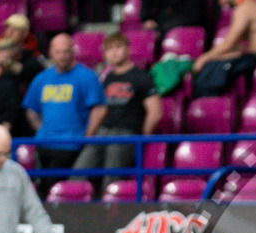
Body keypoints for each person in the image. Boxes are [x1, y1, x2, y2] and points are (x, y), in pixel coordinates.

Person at [72, 32, 162, 191]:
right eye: (110, 49)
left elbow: (155, 112)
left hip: (126, 132)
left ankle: (110, 211)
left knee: (111, 176)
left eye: (118, 47)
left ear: (128, 49)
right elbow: (102, 108)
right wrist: (90, 133)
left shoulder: (141, 77)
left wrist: (143, 137)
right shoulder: (107, 78)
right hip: (103, 131)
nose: (114, 52)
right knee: (79, 171)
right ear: (105, 54)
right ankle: (76, 209)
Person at [23, 34, 107, 194]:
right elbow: (31, 109)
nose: (62, 56)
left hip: (70, 145)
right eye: (58, 52)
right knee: (41, 190)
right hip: (43, 144)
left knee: (57, 192)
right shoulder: (42, 78)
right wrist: (41, 129)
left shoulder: (86, 75)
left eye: (66, 51)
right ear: (51, 52)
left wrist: (87, 135)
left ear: (73, 52)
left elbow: (99, 108)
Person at [191, 0, 256, 99]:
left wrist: (204, 58)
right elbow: (237, 48)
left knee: (217, 66)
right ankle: (207, 101)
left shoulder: (245, 8)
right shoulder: (248, 6)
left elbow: (229, 43)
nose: (220, 3)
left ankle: (208, 101)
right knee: (218, 62)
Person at [140, 0, 206, 36]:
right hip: (160, 25)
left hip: (183, 31)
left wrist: (162, 28)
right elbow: (145, 13)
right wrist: (147, 19)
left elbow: (193, 16)